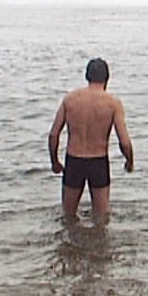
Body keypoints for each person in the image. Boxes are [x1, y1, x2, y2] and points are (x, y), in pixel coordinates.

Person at [48, 58, 134, 219]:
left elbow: (54, 135)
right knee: (101, 219)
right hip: (98, 162)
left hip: (74, 161)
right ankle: (99, 244)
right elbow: (125, 142)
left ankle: (69, 243)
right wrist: (129, 161)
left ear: (87, 76)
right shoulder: (113, 103)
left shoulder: (70, 99)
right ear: (107, 78)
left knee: (68, 216)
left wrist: (55, 161)